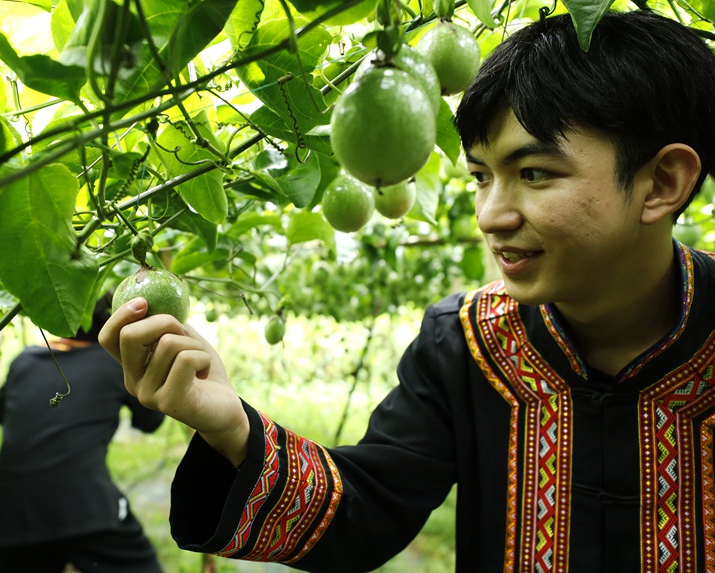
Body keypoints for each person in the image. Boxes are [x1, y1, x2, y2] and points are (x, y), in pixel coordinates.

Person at [99, 9, 715, 573]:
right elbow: (367, 507)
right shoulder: (467, 342)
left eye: (534, 173)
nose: (491, 215)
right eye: (480, 177)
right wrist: (231, 428)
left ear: (662, 182)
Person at [0, 295, 165, 573]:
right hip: (86, 509)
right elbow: (149, 421)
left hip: (10, 520)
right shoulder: (115, 365)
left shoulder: (25, 359)